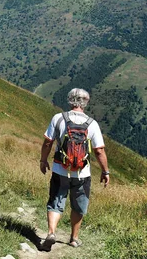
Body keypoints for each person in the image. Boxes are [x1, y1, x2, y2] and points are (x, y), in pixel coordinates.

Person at [39, 88, 109, 251]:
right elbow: (99, 151)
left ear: (70, 100)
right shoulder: (92, 124)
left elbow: (48, 142)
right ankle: (74, 238)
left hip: (59, 169)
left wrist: (43, 160)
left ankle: (51, 233)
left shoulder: (58, 118)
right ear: (86, 103)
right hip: (82, 174)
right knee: (79, 206)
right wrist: (105, 171)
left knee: (56, 201)